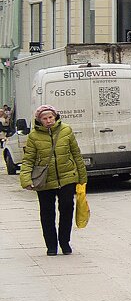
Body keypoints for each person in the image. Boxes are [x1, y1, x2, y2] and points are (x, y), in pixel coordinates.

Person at [19, 105, 87, 256]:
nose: (48, 121)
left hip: (67, 176)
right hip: (44, 180)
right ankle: (51, 245)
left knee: (67, 207)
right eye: (45, 118)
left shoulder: (66, 130)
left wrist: (82, 177)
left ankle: (64, 241)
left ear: (55, 117)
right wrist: (25, 179)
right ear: (39, 120)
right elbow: (28, 160)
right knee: (47, 212)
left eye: (51, 117)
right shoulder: (33, 136)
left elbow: (76, 154)